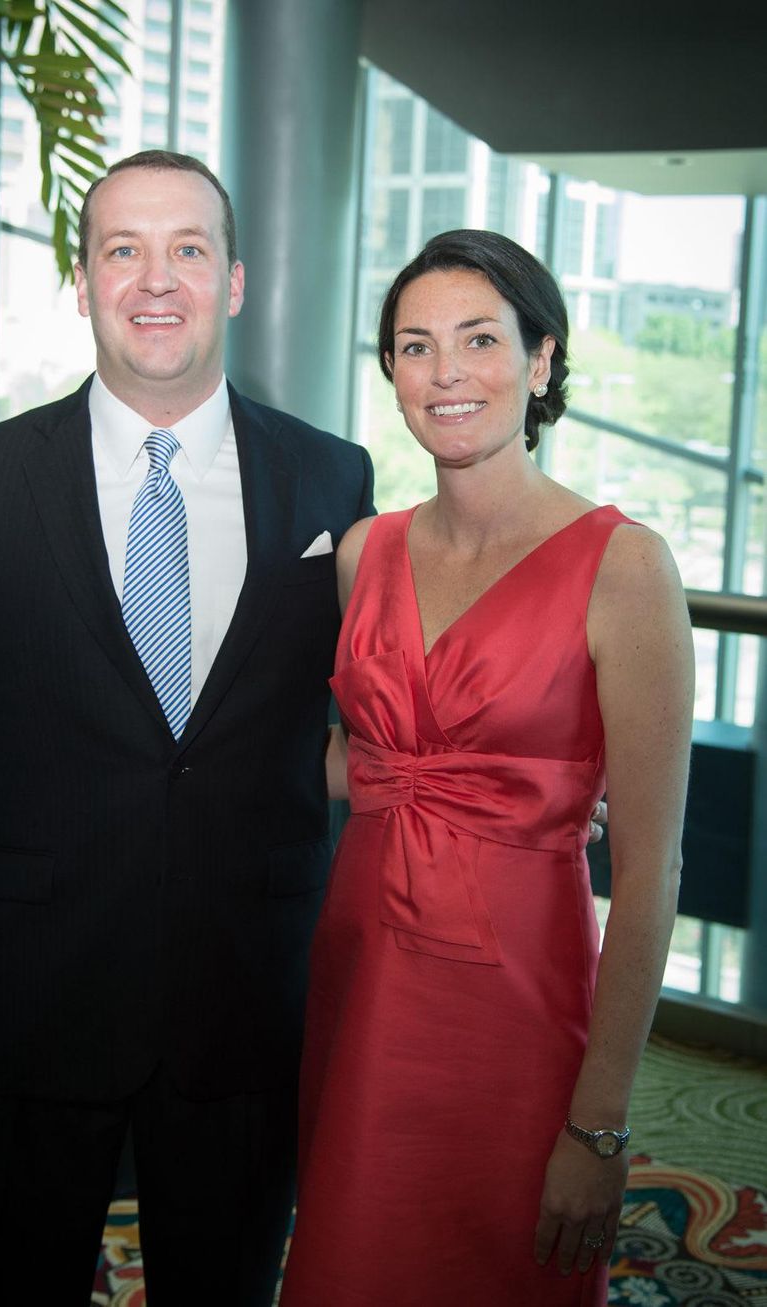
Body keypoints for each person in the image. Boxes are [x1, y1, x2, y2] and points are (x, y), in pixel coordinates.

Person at [0, 150, 375, 1306]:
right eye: (123, 249)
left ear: (236, 281)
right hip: (33, 993)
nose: (155, 279)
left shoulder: (330, 476)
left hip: (246, 998)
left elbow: (370, 705)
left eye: (187, 249)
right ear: (81, 280)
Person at [279, 230, 694, 1305]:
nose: (446, 371)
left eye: (478, 339)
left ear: (541, 359)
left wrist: (596, 1120)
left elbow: (649, 874)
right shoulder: (364, 552)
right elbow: (360, 764)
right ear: (390, 374)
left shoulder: (625, 565)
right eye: (414, 346)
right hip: (361, 974)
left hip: (516, 1004)